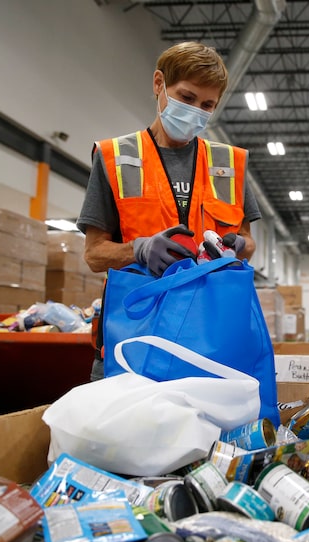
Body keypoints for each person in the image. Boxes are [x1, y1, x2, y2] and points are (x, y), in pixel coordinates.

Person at [77, 41, 260, 380]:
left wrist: (236, 247)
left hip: (211, 338)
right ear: (159, 84)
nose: (196, 111)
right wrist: (140, 249)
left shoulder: (228, 164)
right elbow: (93, 255)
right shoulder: (115, 157)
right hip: (134, 337)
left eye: (207, 105)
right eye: (187, 98)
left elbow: (248, 240)